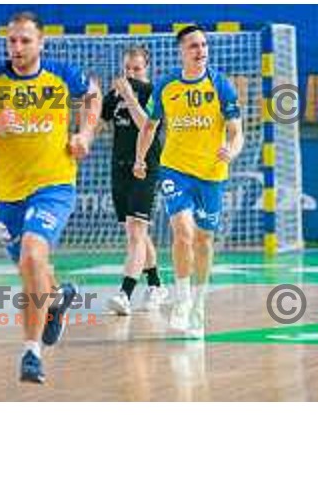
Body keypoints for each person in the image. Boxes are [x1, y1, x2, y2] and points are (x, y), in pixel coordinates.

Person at [0, 11, 101, 383]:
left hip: (54, 184)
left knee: (32, 254)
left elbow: (94, 94)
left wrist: (85, 135)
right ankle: (58, 297)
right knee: (31, 268)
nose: (18, 47)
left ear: (41, 43)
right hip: (8, 195)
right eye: (12, 40)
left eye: (25, 40)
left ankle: (31, 354)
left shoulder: (61, 74)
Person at [134, 25, 244, 338]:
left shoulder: (221, 86)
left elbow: (236, 131)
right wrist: (141, 159)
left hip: (211, 174)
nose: (201, 50)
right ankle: (181, 301)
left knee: (204, 241)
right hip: (175, 169)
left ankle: (198, 306)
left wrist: (231, 151)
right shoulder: (167, 86)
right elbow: (150, 126)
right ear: (182, 51)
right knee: (183, 232)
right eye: (194, 46)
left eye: (204, 45)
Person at [102, 46, 167, 315]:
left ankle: (125, 294)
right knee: (136, 232)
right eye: (127, 69)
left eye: (137, 69)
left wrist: (129, 96)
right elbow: (99, 120)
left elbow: (145, 126)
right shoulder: (114, 94)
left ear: (146, 68)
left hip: (145, 167)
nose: (131, 74)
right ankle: (156, 285)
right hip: (120, 168)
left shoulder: (154, 93)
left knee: (136, 232)